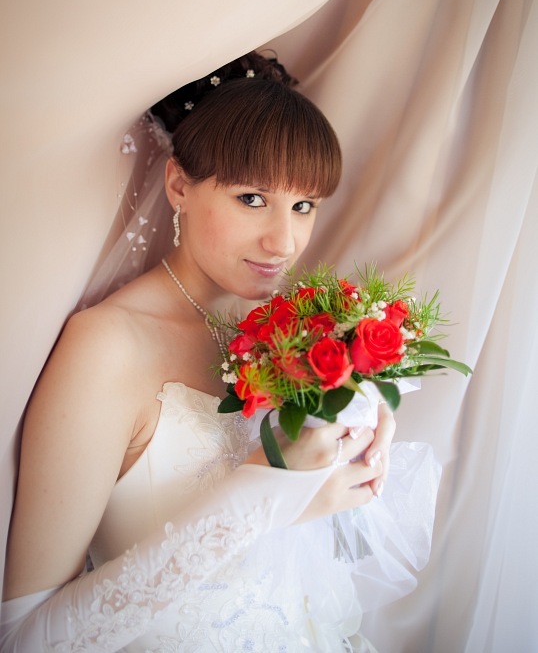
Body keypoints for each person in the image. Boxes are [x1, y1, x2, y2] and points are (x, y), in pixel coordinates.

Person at [1, 52, 439, 652]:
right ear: (179, 185)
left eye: (303, 206)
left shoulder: (277, 336)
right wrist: (268, 495)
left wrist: (354, 429)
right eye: (252, 198)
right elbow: (26, 637)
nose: (283, 242)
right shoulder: (107, 347)